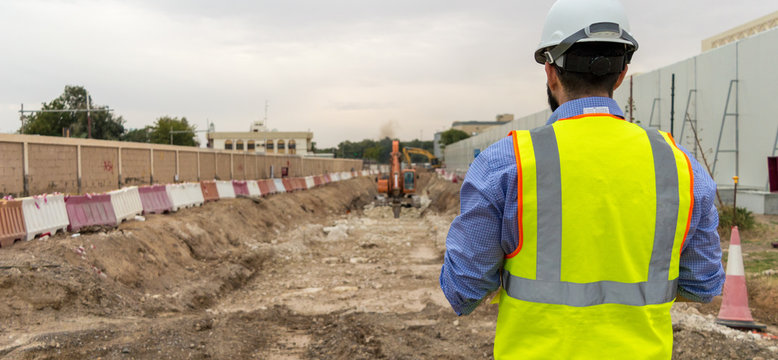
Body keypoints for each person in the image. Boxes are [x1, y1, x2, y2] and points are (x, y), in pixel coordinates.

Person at [439, 0, 725, 358]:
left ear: (550, 72)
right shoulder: (681, 166)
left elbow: (463, 290)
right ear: (621, 75)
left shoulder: (506, 162)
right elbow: (702, 284)